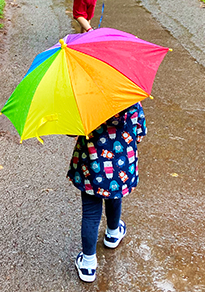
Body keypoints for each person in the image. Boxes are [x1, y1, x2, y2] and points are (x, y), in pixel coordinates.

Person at [66, 102, 146, 282]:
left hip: (92, 167)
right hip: (121, 167)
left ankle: (88, 264)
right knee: (115, 198)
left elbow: (71, 130)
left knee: (91, 213)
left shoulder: (85, 102)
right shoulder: (131, 100)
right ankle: (113, 233)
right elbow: (140, 133)